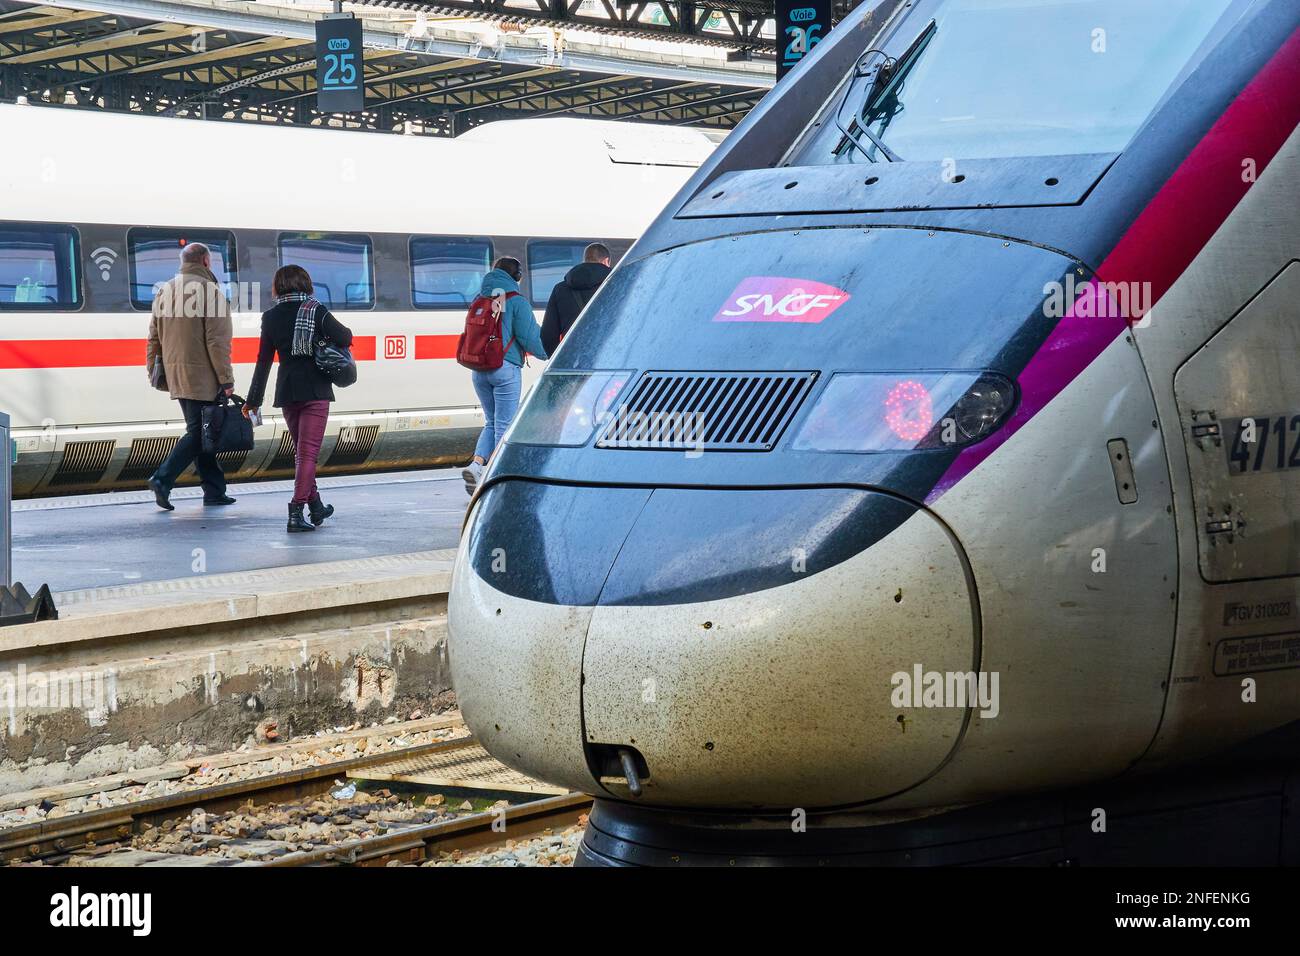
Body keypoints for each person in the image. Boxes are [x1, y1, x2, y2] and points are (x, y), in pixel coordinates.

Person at [242, 265, 353, 533]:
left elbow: (263, 361)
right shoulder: (316, 311)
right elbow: (346, 336)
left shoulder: (270, 317)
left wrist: (253, 400)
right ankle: (296, 511)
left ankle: (316, 506)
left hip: (288, 392)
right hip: (315, 391)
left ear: (278, 287)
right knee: (307, 455)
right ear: (305, 284)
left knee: (303, 453)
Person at [145, 242, 236, 511]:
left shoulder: (165, 290)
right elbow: (217, 342)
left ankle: (214, 490)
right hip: (203, 375)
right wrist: (226, 379)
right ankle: (162, 478)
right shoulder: (210, 291)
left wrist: (155, 371)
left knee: (201, 431)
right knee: (199, 433)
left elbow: (154, 337)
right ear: (206, 262)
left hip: (176, 373)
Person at [463, 256, 548, 496]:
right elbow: (531, 338)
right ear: (517, 277)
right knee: (505, 425)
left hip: (479, 370)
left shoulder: (480, 298)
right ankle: (497, 479)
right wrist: (550, 353)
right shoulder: (516, 301)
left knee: (491, 421)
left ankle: (477, 465)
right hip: (505, 369)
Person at [540, 242, 611, 355]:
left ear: (585, 260)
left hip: (572, 356)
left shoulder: (560, 289)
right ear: (606, 261)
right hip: (608, 356)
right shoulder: (617, 286)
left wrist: (558, 358)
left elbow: (548, 334)